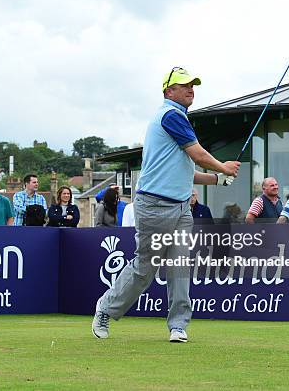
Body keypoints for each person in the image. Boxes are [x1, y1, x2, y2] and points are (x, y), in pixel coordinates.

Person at [92, 67, 240, 342]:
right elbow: (198, 154)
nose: (191, 90)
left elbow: (185, 170)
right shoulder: (170, 115)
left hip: (181, 207)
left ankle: (178, 325)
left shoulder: (179, 119)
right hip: (154, 207)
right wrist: (224, 167)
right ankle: (106, 308)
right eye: (185, 86)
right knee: (145, 268)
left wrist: (218, 179)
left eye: (193, 86)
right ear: (168, 91)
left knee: (180, 265)